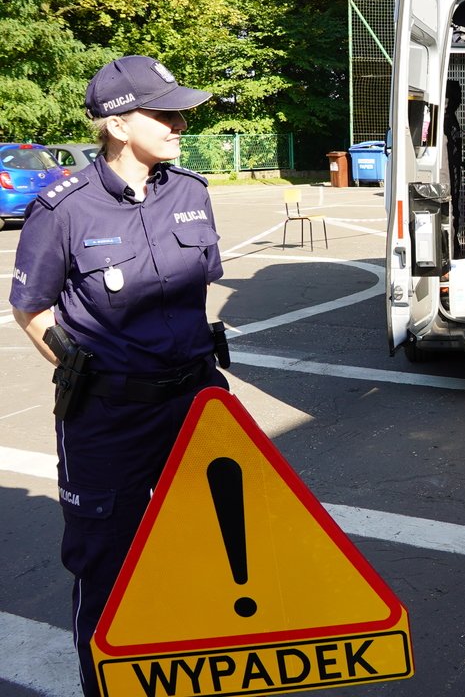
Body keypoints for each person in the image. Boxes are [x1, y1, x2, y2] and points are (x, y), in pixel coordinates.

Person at [8, 55, 228, 696]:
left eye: (180, 111)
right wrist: (75, 363)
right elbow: (30, 308)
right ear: (117, 122)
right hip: (109, 417)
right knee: (104, 560)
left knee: (206, 546)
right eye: (164, 113)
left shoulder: (191, 192)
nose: (180, 122)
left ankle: (193, 673)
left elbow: (196, 291)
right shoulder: (63, 209)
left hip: (196, 404)